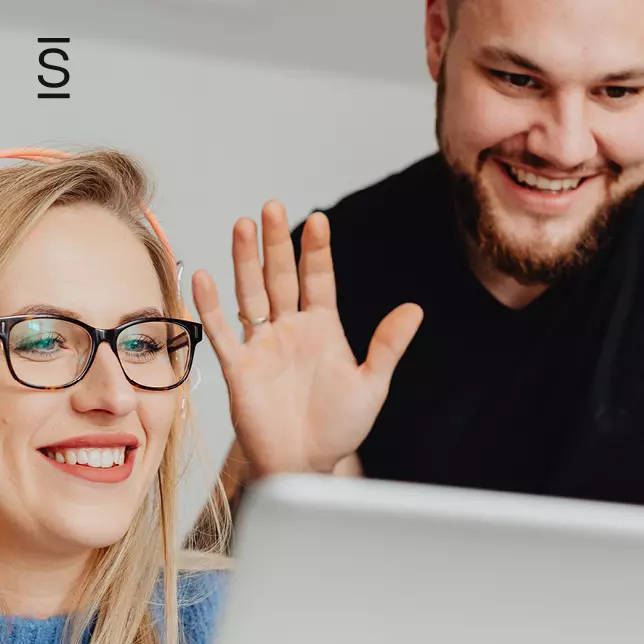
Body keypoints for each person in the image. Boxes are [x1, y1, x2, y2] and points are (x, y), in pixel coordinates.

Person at [216, 0, 644, 512]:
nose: (565, 147)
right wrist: (292, 482)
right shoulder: (327, 276)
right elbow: (200, 584)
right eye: (517, 80)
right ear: (438, 36)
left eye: (618, 92)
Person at [0, 148, 422, 643]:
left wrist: (293, 483)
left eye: (141, 343)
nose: (116, 396)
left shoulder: (223, 619)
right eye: (44, 340)